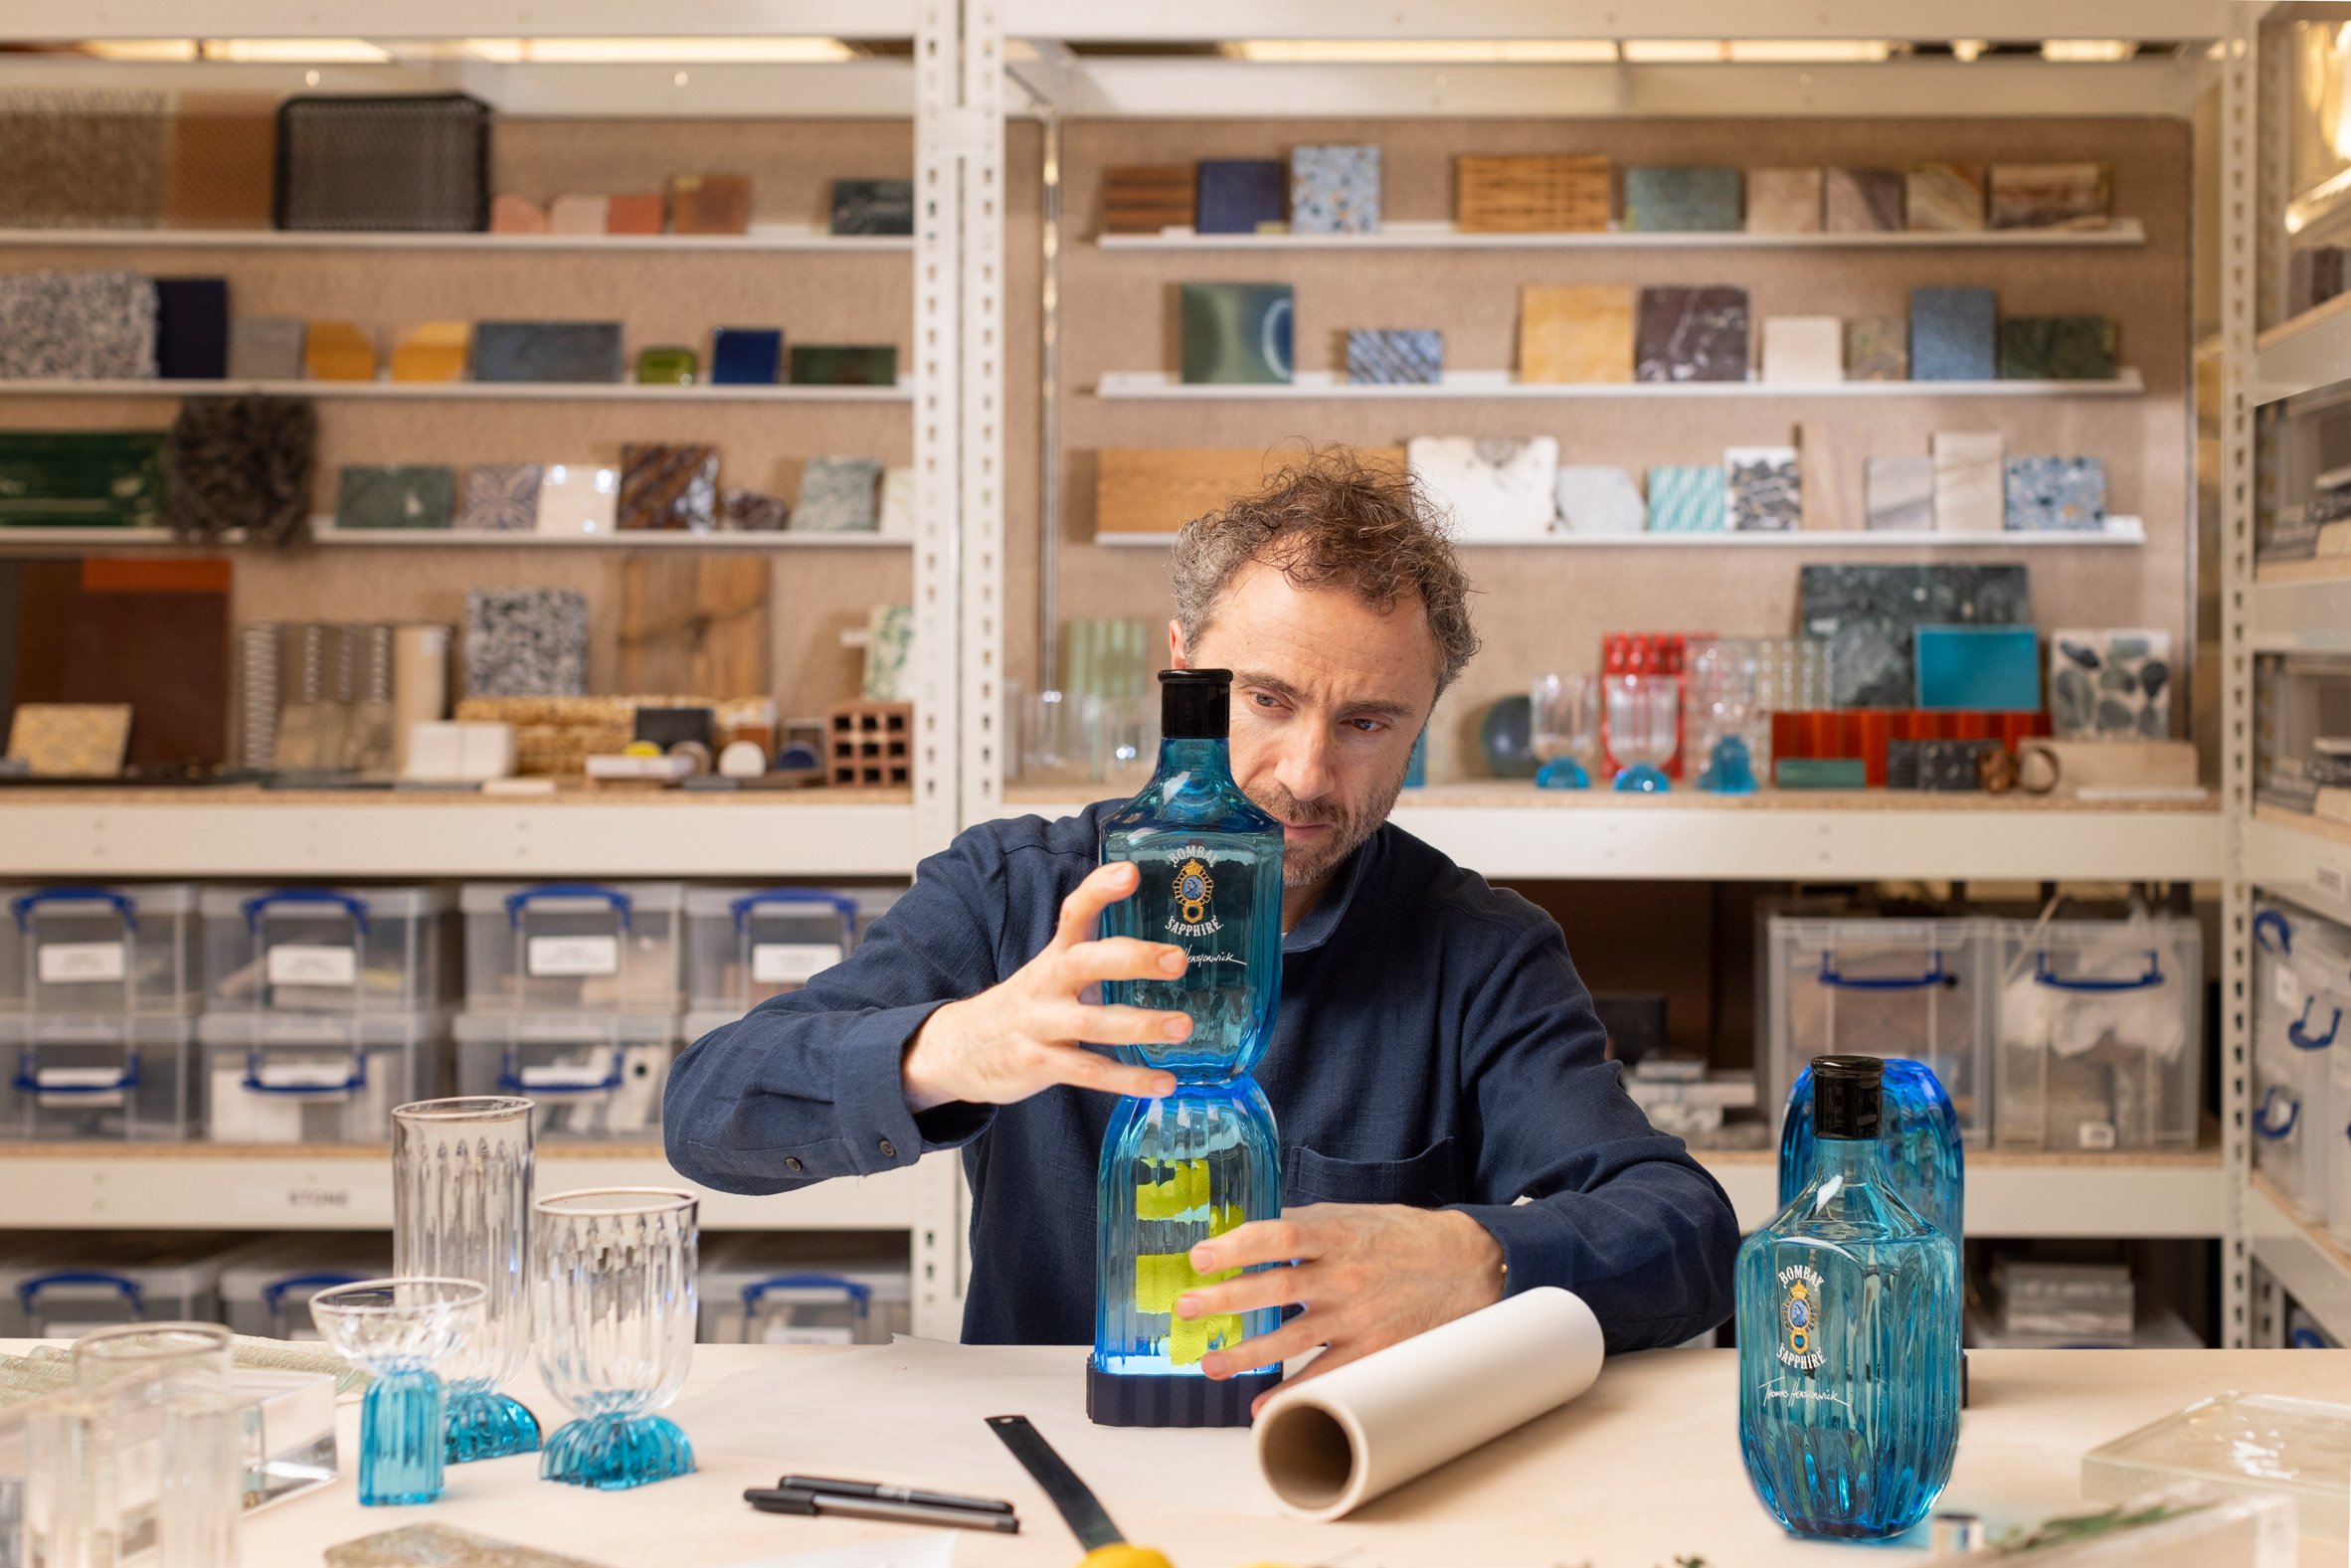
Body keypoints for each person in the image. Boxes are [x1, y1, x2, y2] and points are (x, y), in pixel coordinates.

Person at [665, 450, 1739, 1402]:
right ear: (1185, 668)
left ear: (1423, 719)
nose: (1306, 773)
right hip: (1050, 1465)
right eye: (1267, 699)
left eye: (1367, 722)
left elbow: (1684, 1229)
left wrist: (1478, 1254)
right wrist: (951, 1046)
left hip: (1347, 1483)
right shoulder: (1011, 890)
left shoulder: (1481, 950)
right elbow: (712, 1109)